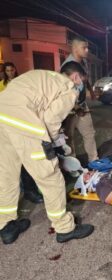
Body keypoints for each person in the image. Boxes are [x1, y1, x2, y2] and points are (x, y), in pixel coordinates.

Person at [0, 61, 94, 245]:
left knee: (6, 176)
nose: (81, 85)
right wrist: (50, 146)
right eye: (81, 80)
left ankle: (6, 227)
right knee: (51, 176)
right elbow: (50, 120)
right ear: (75, 77)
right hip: (21, 122)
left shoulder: (44, 77)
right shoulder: (69, 88)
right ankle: (65, 228)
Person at [0, 62, 43, 203]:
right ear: (4, 72)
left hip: (23, 125)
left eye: (12, 70)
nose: (10, 73)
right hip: (7, 128)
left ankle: (30, 191)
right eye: (7, 71)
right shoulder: (2, 85)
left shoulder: (21, 83)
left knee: (27, 161)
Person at [61, 36, 98, 162]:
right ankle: (73, 165)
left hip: (82, 105)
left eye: (87, 47)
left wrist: (91, 92)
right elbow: (64, 94)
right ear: (75, 48)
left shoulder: (83, 62)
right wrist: (76, 108)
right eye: (84, 47)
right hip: (70, 108)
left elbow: (85, 79)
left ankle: (94, 161)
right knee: (69, 137)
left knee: (89, 133)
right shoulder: (67, 67)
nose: (87, 50)